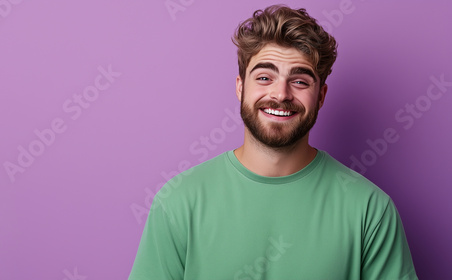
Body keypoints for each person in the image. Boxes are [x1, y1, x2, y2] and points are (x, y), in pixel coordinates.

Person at [129, 5, 418, 280]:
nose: (280, 94)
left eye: (300, 81)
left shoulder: (370, 210)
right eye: (265, 77)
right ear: (241, 87)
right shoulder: (179, 202)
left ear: (321, 96)